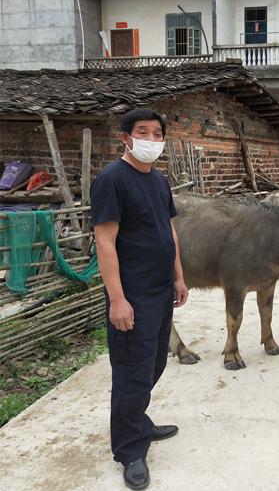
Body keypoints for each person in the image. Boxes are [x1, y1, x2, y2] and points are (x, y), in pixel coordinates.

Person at [92, 108, 189, 489]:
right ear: (125, 138)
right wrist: (117, 299)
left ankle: (139, 422)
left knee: (153, 365)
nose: (151, 139)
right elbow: (105, 241)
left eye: (157, 133)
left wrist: (178, 276)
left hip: (161, 289)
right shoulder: (112, 180)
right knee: (133, 371)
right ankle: (130, 449)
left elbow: (169, 231)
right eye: (142, 132)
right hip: (132, 294)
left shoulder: (158, 180)